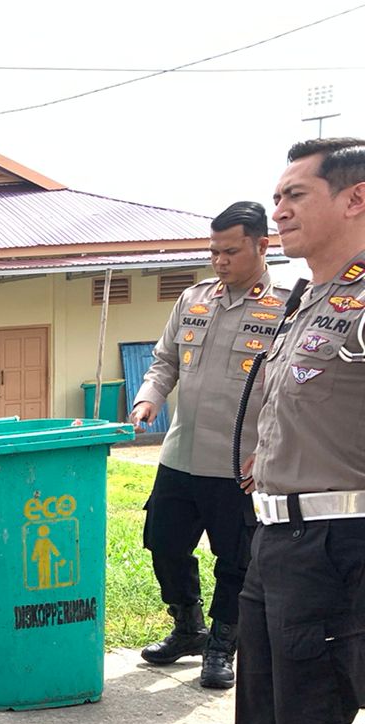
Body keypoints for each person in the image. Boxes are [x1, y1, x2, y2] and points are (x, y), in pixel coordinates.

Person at [169, 138, 365, 724]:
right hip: (275, 536)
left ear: (355, 199)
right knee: (263, 722)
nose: (277, 209)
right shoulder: (308, 298)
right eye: (276, 196)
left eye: (295, 195)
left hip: (338, 542)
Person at [129, 203, 288, 689]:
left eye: (231, 251)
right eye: (214, 251)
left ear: (262, 245)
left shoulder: (287, 305)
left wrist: (269, 448)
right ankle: (188, 627)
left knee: (235, 559)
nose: (220, 261)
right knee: (163, 543)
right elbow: (165, 361)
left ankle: (222, 644)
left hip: (240, 462)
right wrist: (148, 398)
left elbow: (291, 390)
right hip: (181, 454)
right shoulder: (193, 298)